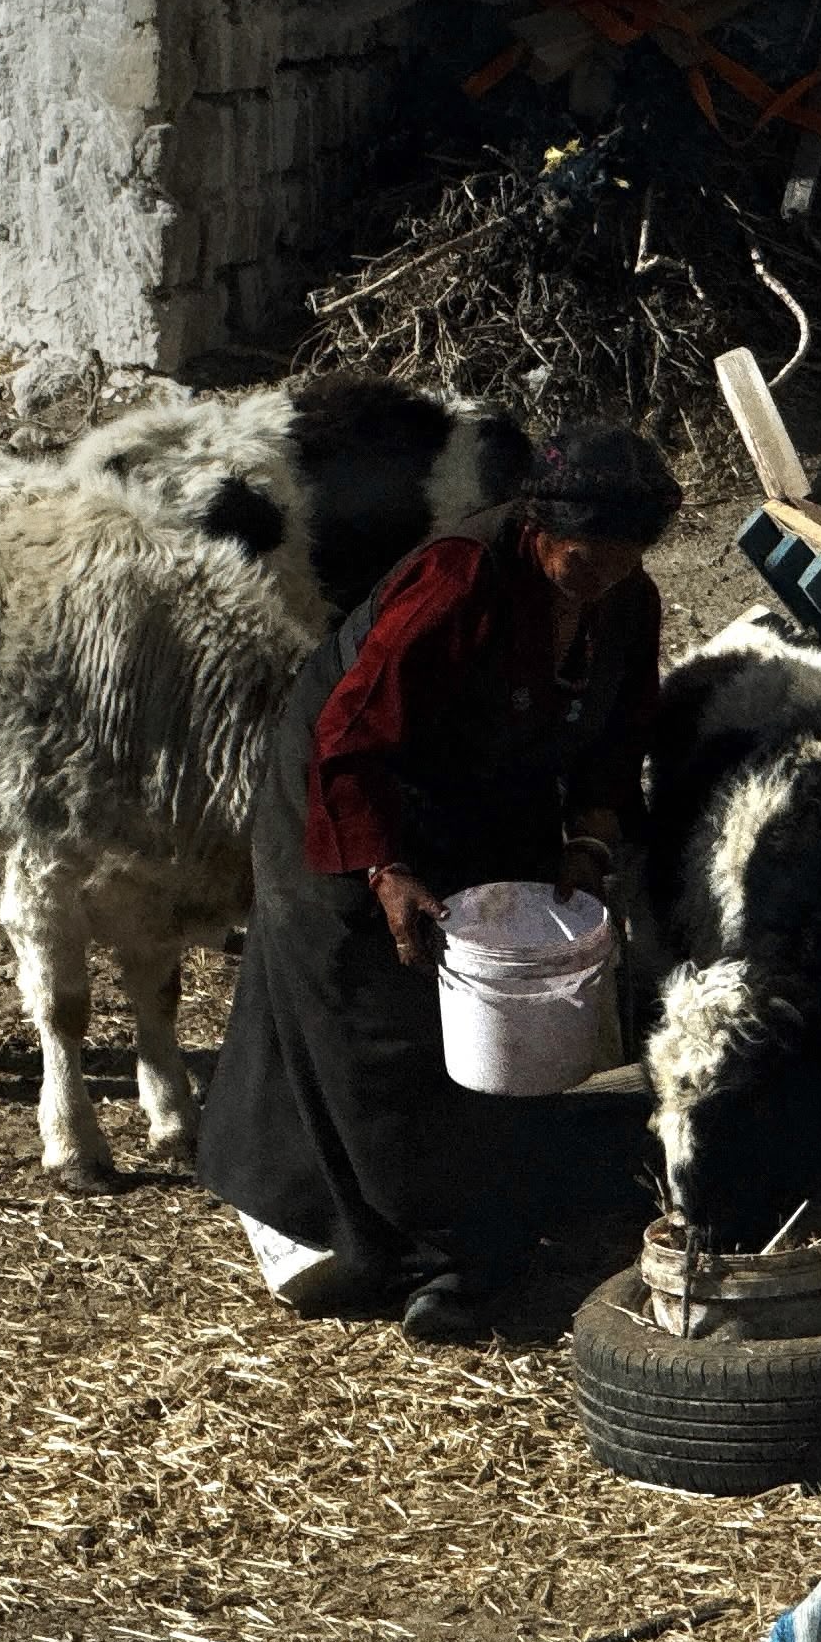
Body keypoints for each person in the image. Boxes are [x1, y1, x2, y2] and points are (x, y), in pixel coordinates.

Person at [197, 422, 682, 1341]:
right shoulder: (457, 583)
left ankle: (480, 1200)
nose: (608, 575)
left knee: (484, 1012)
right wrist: (385, 869)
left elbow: (621, 732)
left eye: (628, 559)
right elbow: (354, 737)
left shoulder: (625, 599)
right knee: (373, 1008)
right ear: (540, 529)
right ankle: (413, 1251)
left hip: (476, 785)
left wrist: (589, 839)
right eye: (588, 559)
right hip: (348, 785)